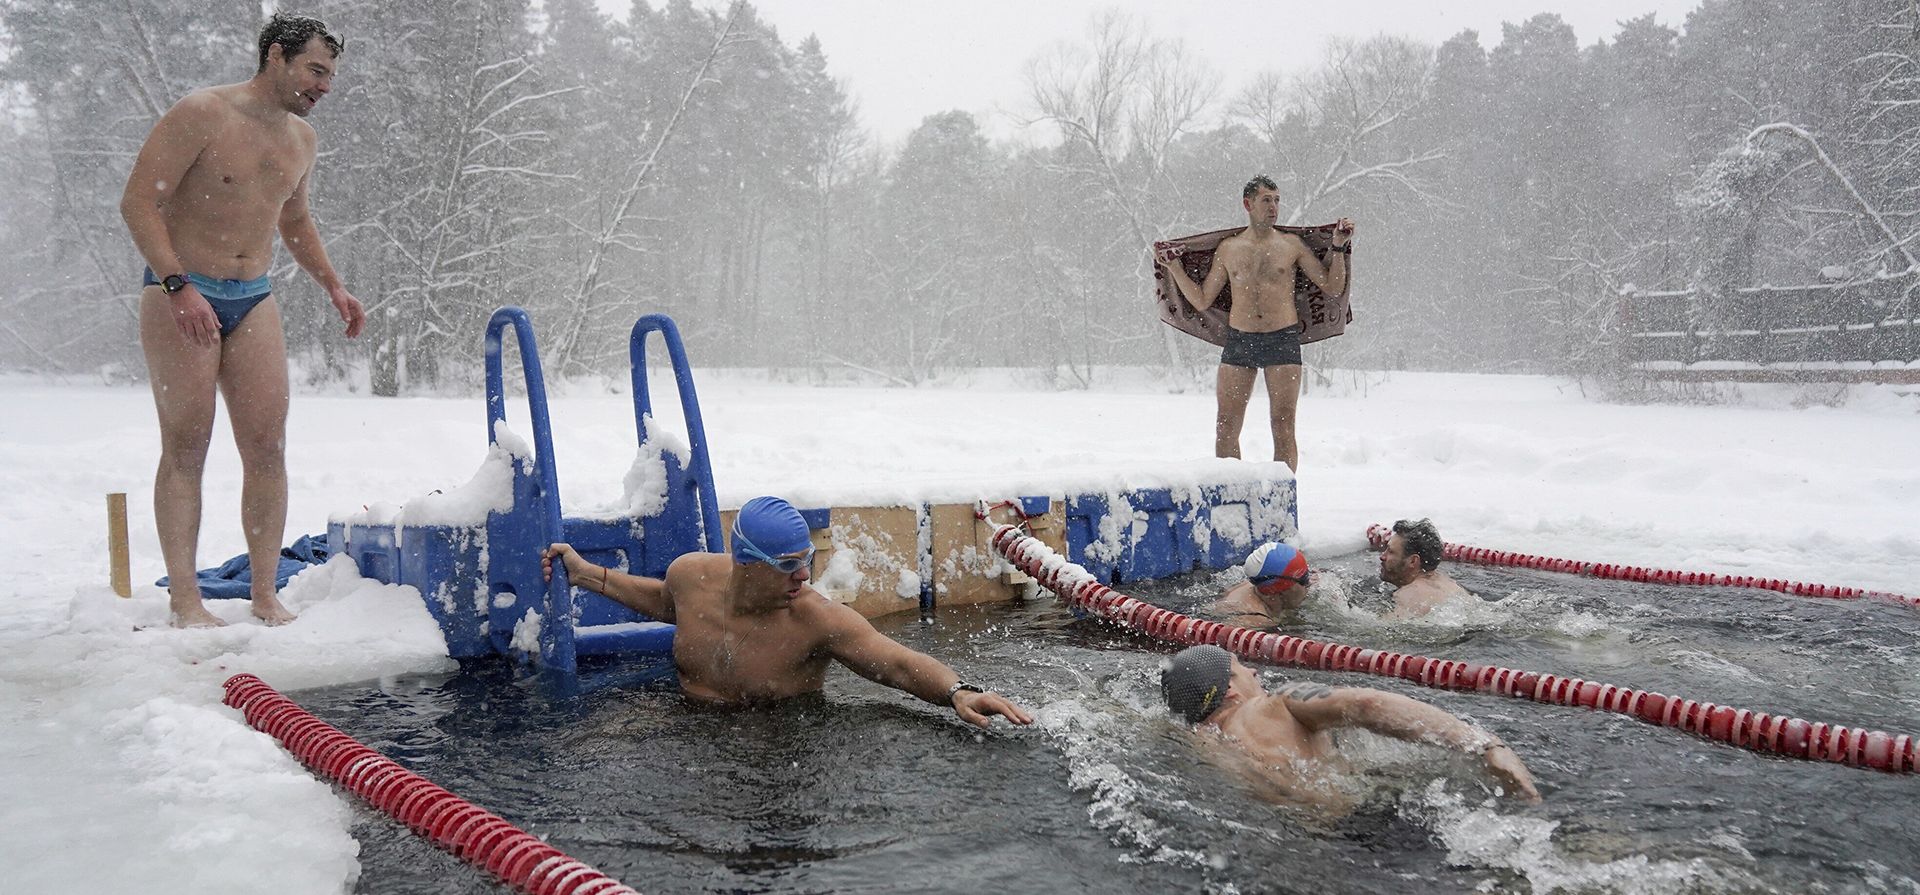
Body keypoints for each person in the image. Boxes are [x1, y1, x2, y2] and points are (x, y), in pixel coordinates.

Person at [120, 13, 365, 628]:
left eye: (331, 75)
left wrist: (333, 285)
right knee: (187, 446)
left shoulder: (301, 141)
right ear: (277, 58)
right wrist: (178, 285)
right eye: (316, 70)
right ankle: (185, 601)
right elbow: (138, 201)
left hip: (253, 295)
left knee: (267, 446)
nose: (325, 87)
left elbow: (295, 220)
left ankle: (264, 595)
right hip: (181, 290)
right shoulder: (203, 112)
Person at [542, 496, 1035, 728]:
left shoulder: (815, 621)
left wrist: (958, 692)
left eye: (809, 561)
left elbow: (898, 663)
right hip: (687, 725)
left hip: (780, 741)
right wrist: (587, 574)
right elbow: (667, 604)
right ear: (744, 562)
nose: (805, 576)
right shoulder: (692, 575)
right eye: (789, 565)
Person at [1160, 645, 1540, 809]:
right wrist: (1484, 745)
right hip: (1369, 825)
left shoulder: (1198, 741)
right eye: (1243, 667)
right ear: (1228, 689)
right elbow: (1367, 704)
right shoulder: (1275, 703)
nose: (1256, 671)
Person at [1155, 175, 1352, 469]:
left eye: (1276, 200)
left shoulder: (1292, 245)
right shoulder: (1228, 248)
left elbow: (1332, 286)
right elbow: (1202, 299)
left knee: (1283, 426)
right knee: (1225, 425)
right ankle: (1232, 500)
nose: (1273, 207)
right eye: (1266, 200)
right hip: (1240, 340)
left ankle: (1281, 503)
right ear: (1248, 204)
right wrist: (1174, 268)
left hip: (1282, 339)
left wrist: (1337, 248)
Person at [1379, 518, 1473, 619]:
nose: (1382, 556)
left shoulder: (1410, 594)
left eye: (1391, 551)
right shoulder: (1452, 586)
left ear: (1413, 561)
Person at [1208, 541, 1313, 627]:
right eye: (1305, 579)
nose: (1309, 584)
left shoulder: (1258, 585)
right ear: (1282, 590)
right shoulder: (1254, 622)